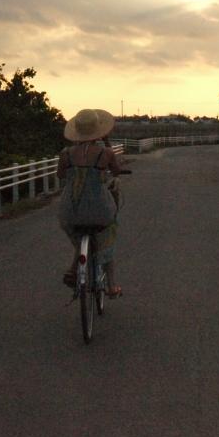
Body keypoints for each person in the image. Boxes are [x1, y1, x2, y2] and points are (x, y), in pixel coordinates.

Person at [56, 108, 127, 298]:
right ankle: (111, 286)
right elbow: (117, 171)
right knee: (107, 235)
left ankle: (74, 268)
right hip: (99, 209)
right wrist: (106, 142)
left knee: (79, 235)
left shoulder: (66, 154)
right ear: (99, 130)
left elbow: (60, 175)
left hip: (70, 209)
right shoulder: (105, 153)